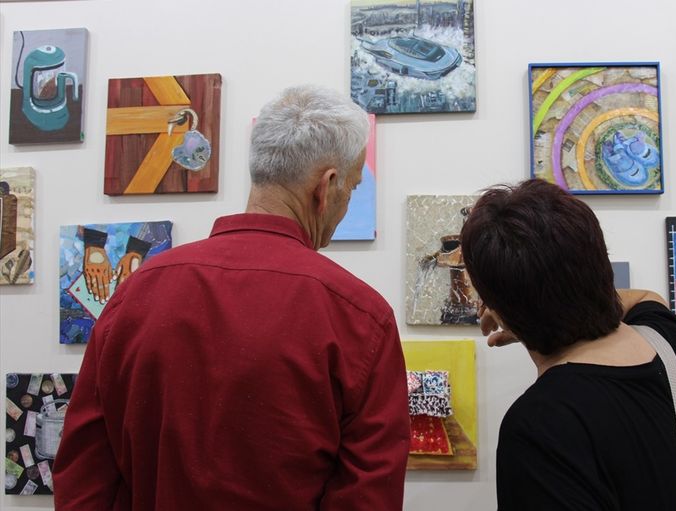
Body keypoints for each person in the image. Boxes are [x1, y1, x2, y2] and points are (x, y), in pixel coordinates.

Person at [52, 86, 410, 510]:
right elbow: (367, 499)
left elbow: (84, 478)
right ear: (326, 186)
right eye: (352, 188)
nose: (347, 203)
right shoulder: (360, 317)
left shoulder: (135, 292)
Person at [459, 179, 676, 510]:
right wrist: (540, 309)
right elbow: (644, 297)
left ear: (499, 309)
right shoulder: (673, 341)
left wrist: (522, 317)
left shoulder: (540, 426)